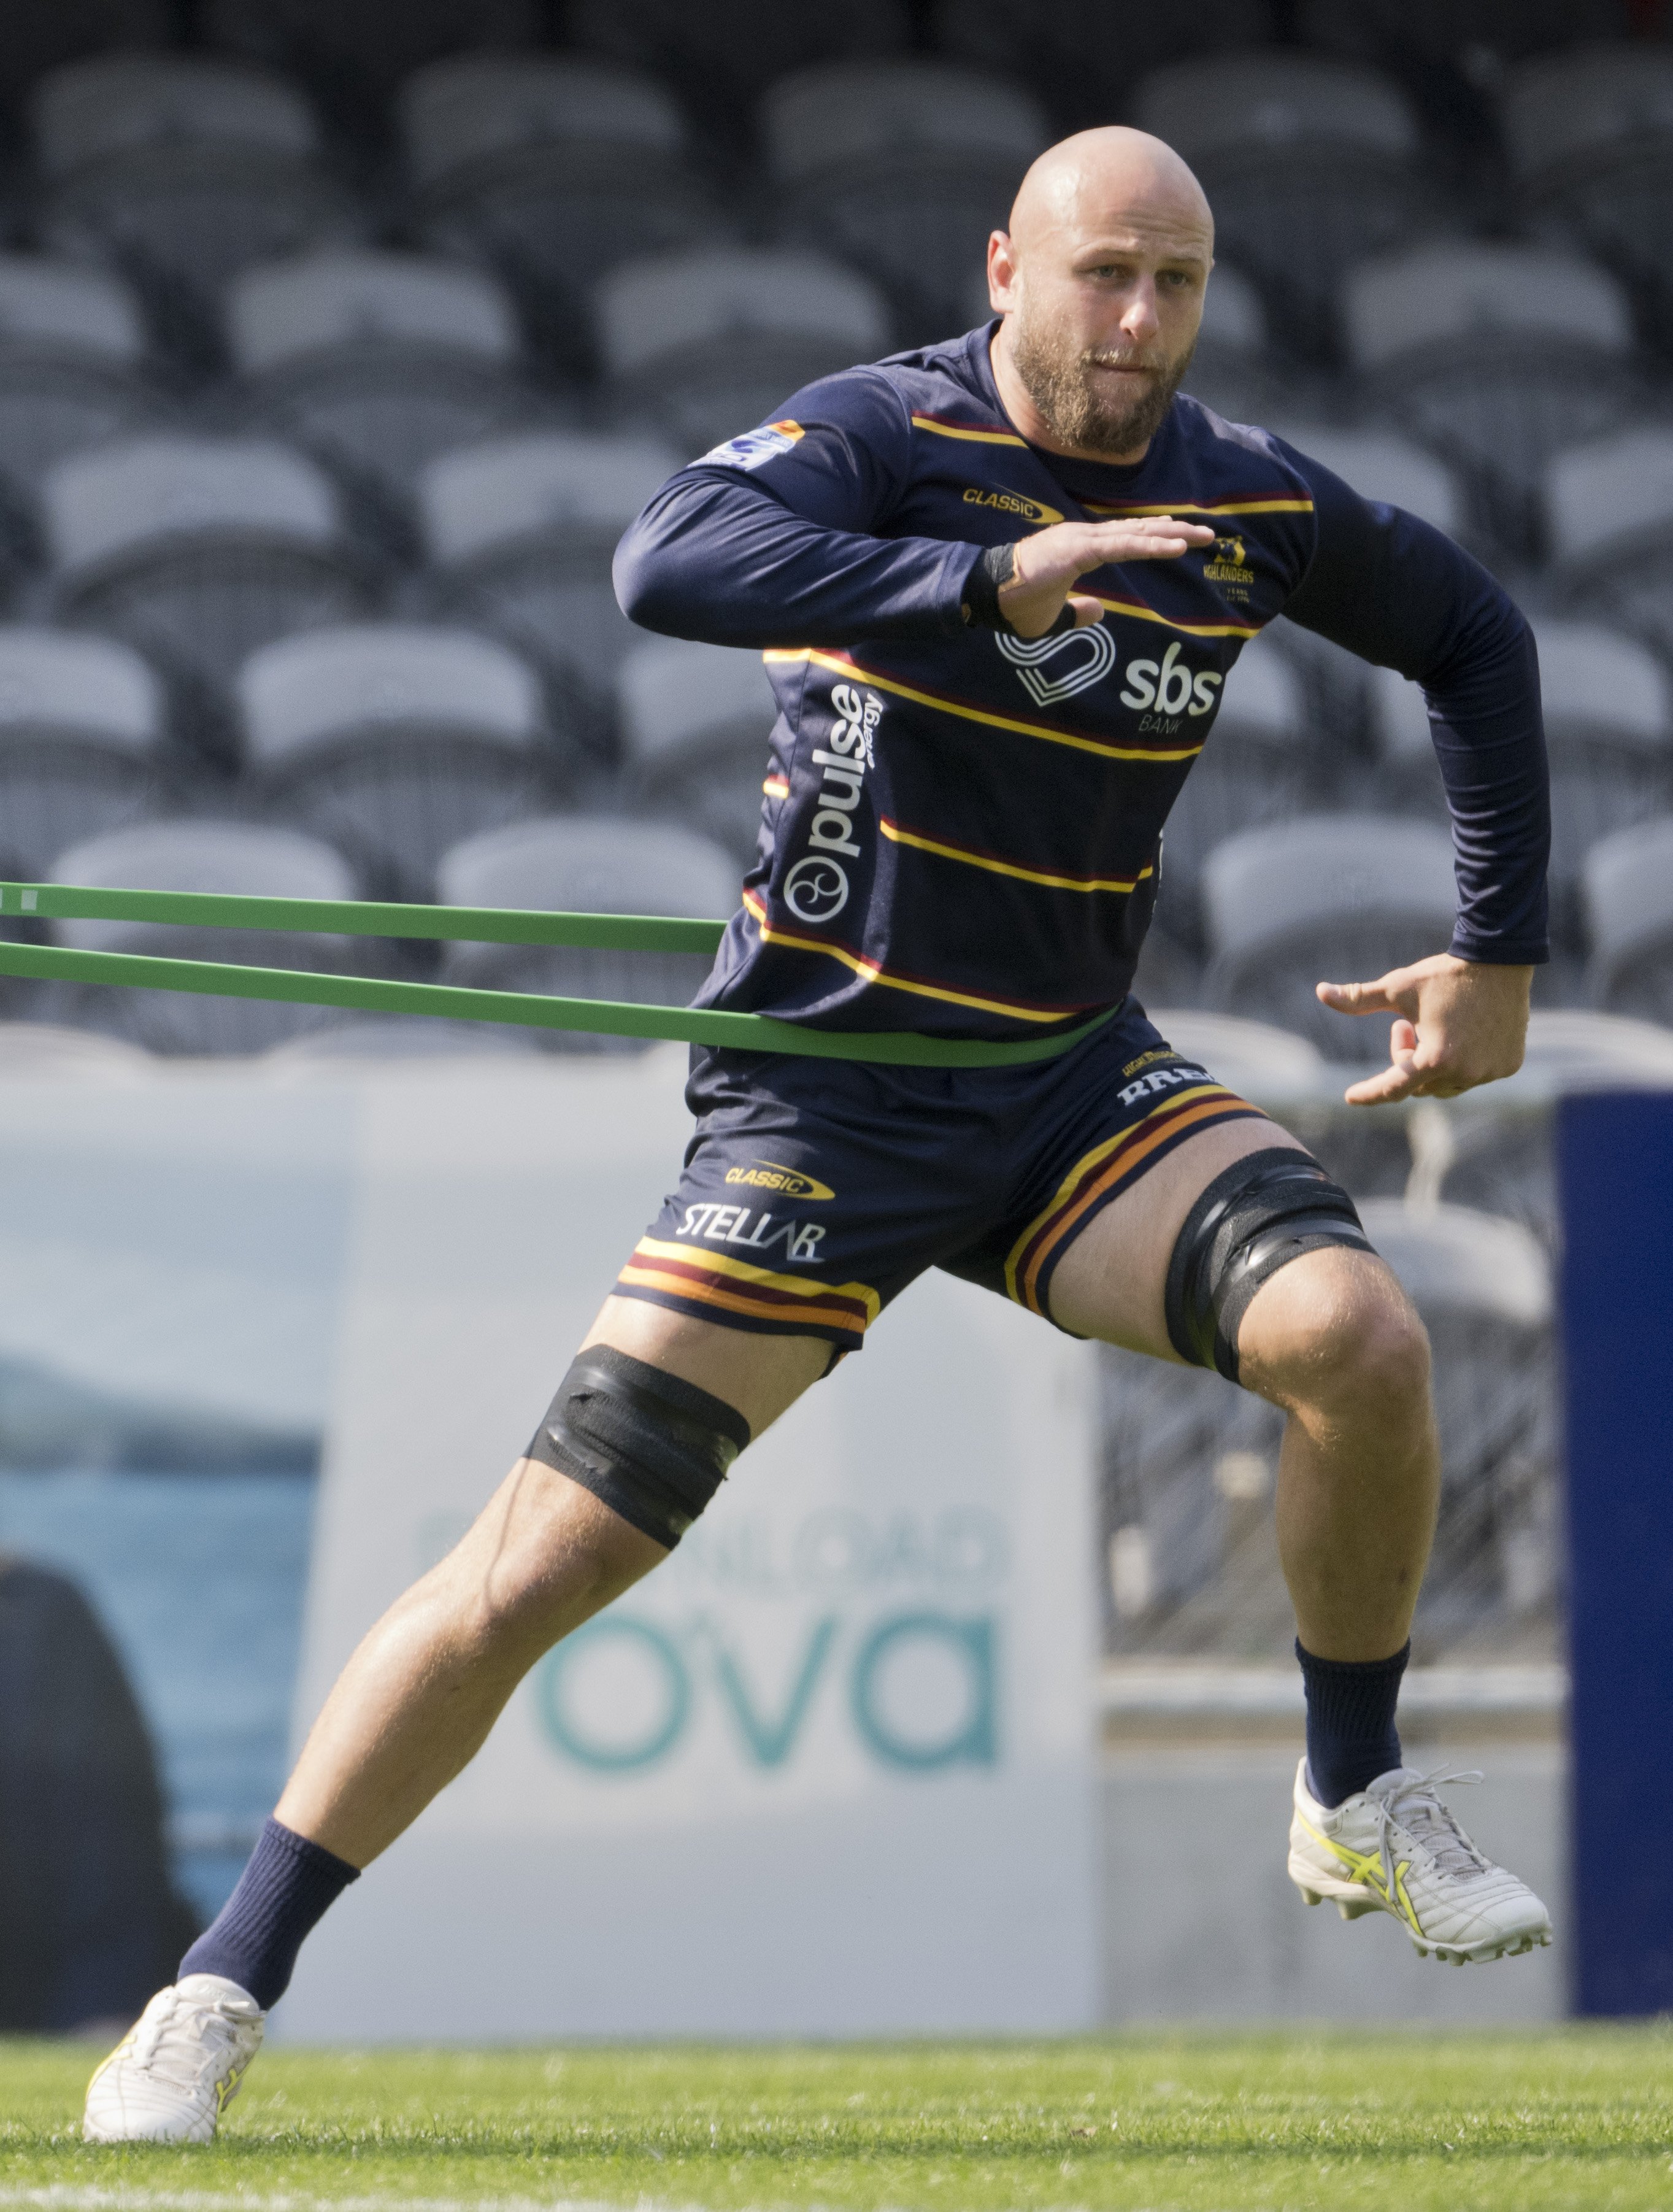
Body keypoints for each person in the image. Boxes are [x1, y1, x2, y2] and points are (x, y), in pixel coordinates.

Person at [85, 125, 1552, 2143]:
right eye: (1102, 275)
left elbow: (1478, 637)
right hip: (829, 1101)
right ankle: (215, 1990)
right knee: (535, 1568)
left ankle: (1352, 1789)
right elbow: (663, 559)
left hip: (1067, 1083)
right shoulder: (887, 434)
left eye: (1175, 283)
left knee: (1360, 1342)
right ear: (1006, 269)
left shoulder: (1248, 499)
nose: (1137, 322)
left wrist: (1497, 950)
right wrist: (978, 579)